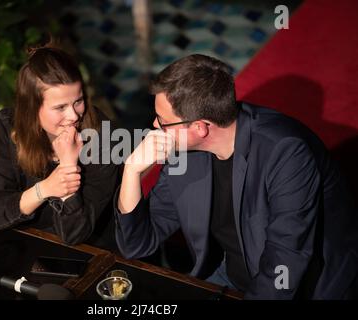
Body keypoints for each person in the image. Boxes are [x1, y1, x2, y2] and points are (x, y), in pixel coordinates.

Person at [115, 54, 358, 299]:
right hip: (232, 273)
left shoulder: (286, 152)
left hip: (306, 287)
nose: (155, 126)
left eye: (163, 121)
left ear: (200, 127)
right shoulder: (185, 153)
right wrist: (131, 170)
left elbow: (286, 258)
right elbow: (137, 244)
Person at [0, 45, 119, 250]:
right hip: (26, 242)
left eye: (78, 101)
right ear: (32, 108)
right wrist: (45, 189)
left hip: (92, 249)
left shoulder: (103, 136)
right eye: (60, 107)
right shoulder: (7, 126)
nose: (74, 116)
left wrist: (67, 167)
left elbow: (74, 234)